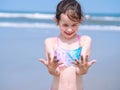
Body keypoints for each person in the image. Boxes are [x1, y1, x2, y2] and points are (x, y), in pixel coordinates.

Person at [40, 0, 96, 90]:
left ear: (80, 20)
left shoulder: (84, 41)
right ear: (57, 21)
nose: (69, 30)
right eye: (65, 25)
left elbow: (80, 71)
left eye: (74, 25)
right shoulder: (50, 42)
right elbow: (55, 72)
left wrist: (83, 69)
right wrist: (52, 69)